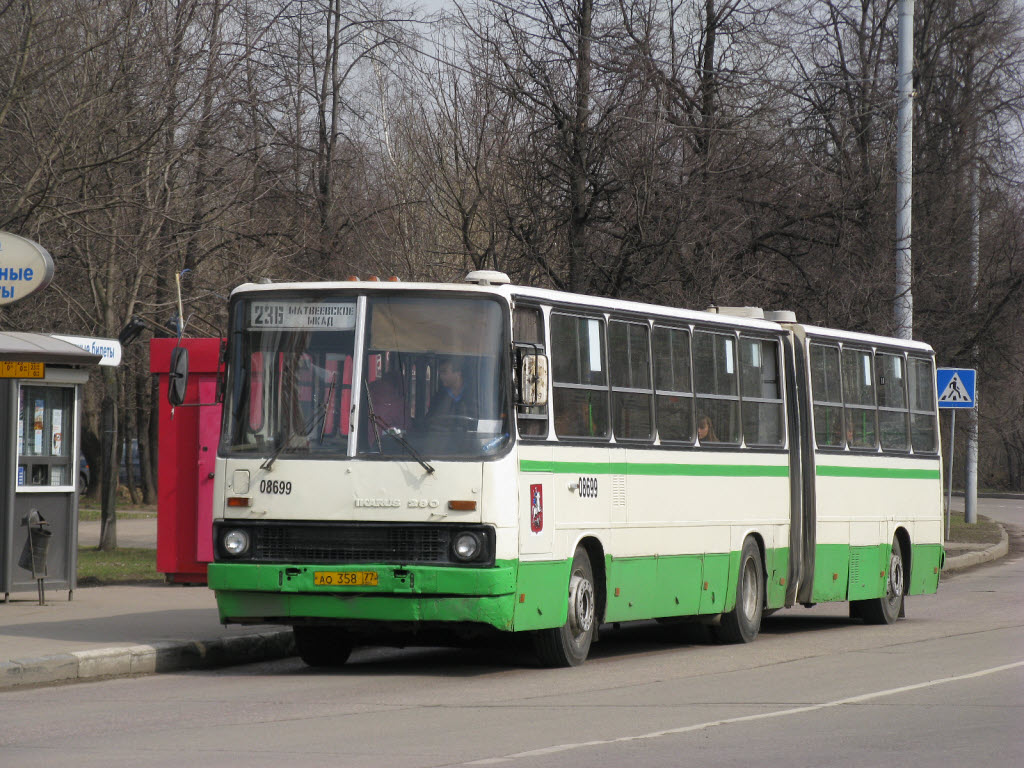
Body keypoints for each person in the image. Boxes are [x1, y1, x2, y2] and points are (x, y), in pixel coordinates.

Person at [427, 357, 477, 422]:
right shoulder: (438, 398)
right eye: (440, 373)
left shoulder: (473, 396)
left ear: (458, 373)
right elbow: (431, 422)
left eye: (444, 372)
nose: (441, 376)